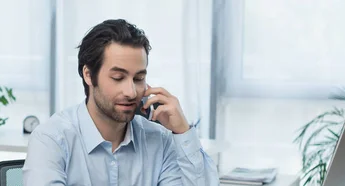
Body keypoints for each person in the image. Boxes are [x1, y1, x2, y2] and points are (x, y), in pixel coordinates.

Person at [23, 19, 219, 186]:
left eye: (138, 78)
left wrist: (183, 131)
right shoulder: (51, 139)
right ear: (89, 75)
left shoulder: (160, 141)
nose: (131, 92)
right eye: (118, 78)